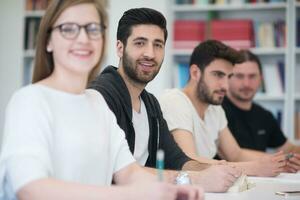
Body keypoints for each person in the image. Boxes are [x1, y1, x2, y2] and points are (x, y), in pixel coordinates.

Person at [0, 1, 204, 200]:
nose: (83, 39)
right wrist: (129, 195)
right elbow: (31, 189)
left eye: (93, 29)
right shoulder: (29, 101)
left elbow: (130, 174)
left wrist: (176, 188)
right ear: (48, 41)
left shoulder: (97, 103)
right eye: (68, 29)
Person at [89, 8, 241, 192]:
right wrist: (196, 179)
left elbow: (176, 160)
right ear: (120, 48)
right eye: (140, 43)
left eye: (158, 45)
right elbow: (116, 172)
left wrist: (217, 169)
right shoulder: (101, 97)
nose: (150, 54)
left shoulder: (150, 104)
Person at [159, 40, 292, 177]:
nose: (225, 86)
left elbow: (235, 154)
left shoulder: (214, 108)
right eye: (218, 75)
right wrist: (254, 168)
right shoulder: (174, 101)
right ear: (195, 73)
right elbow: (188, 162)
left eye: (229, 77)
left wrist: (278, 162)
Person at [223, 49, 300, 173]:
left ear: (261, 78)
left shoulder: (265, 115)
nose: (246, 83)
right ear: (228, 78)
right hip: (228, 184)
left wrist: (292, 157)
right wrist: (280, 161)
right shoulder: (217, 112)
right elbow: (234, 155)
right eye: (239, 76)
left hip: (261, 181)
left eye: (252, 76)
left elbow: (288, 148)